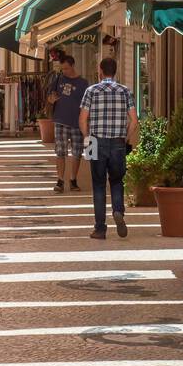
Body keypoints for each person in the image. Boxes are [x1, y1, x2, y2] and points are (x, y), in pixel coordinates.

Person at [79, 56, 139, 241]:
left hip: (95, 141)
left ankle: (100, 229)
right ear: (116, 71)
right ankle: (118, 211)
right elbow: (134, 121)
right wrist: (126, 137)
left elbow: (82, 119)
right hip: (118, 142)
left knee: (98, 185)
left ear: (100, 70)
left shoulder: (91, 91)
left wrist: (87, 138)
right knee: (117, 181)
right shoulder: (125, 91)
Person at [47, 53, 89, 193]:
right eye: (62, 69)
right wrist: (51, 99)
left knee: (77, 153)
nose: (64, 71)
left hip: (77, 123)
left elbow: (86, 104)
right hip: (61, 121)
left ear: (72, 66)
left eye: (66, 68)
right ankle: (60, 180)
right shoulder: (58, 79)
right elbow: (50, 95)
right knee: (60, 152)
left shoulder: (83, 83)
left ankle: (73, 180)